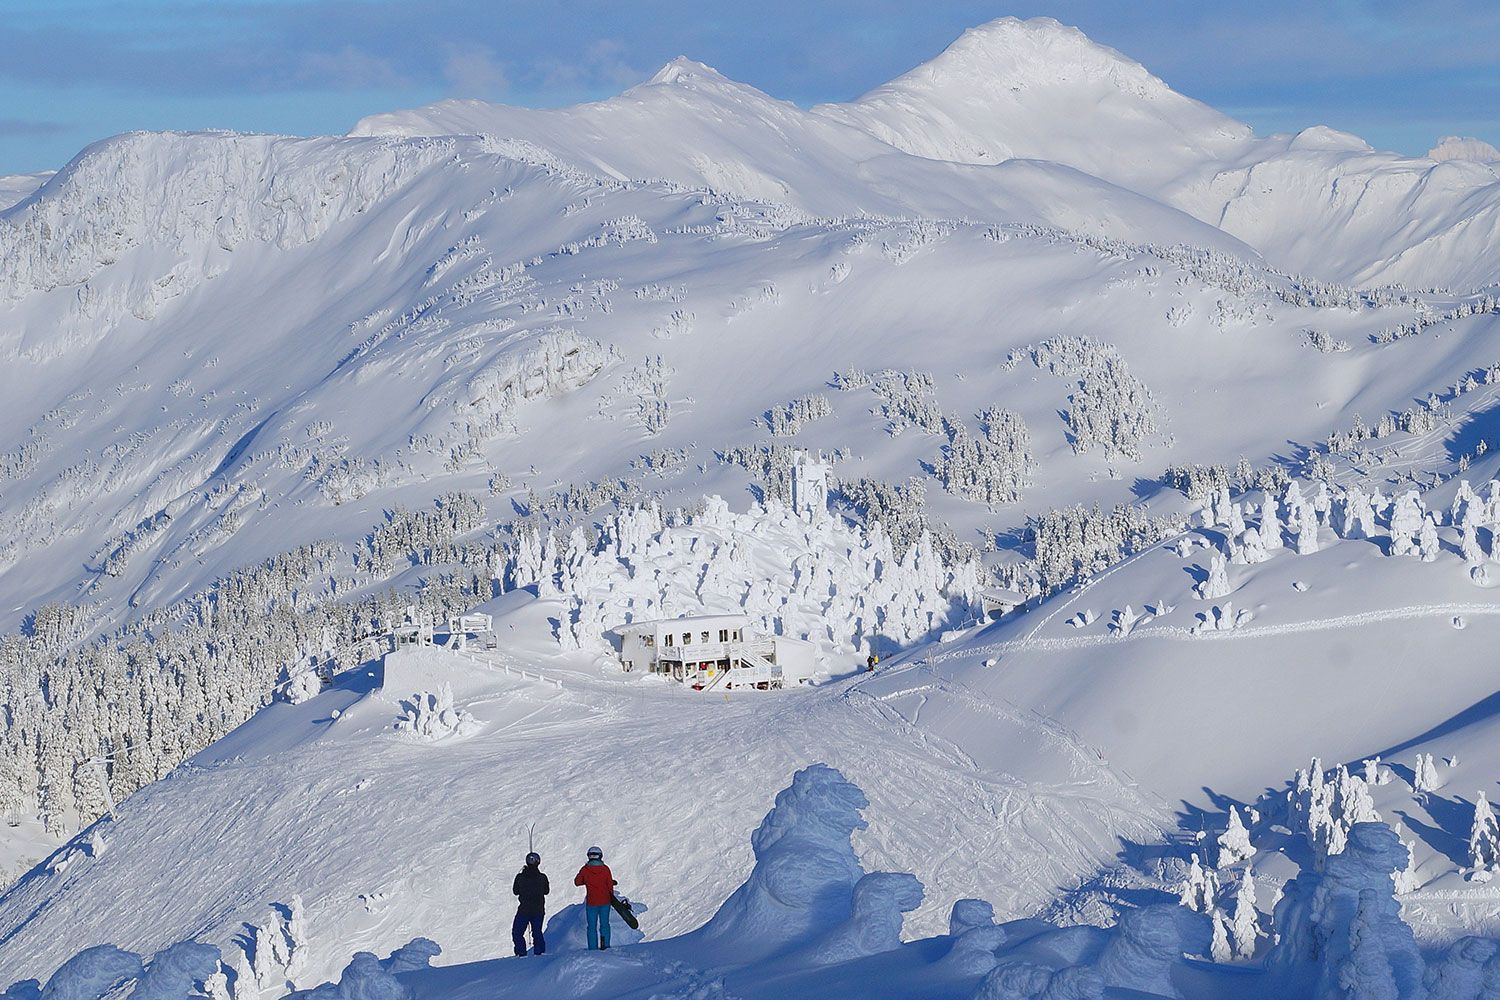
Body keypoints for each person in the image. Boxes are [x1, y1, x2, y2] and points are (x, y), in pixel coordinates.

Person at [574, 845, 617, 950]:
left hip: (592, 902)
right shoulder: (605, 869)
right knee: (605, 925)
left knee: (592, 927)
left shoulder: (585, 869)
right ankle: (605, 945)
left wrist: (586, 879)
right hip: (605, 901)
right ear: (600, 856)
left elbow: (577, 882)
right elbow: (609, 887)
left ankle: (593, 948)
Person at [512, 852, 549, 957]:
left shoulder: (520, 877)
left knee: (517, 932)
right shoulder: (542, 877)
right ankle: (540, 953)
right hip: (538, 910)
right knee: (537, 932)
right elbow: (546, 891)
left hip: (524, 910)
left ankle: (521, 954)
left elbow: (515, 891)